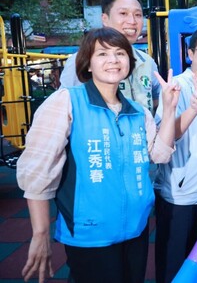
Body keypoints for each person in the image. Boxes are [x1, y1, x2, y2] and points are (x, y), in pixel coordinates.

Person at [16, 27, 181, 283]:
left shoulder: (138, 112)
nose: (113, 60)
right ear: (88, 64)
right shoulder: (66, 102)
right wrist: (40, 233)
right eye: (102, 53)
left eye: (120, 53)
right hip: (90, 234)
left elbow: (159, 155)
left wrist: (169, 109)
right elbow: (38, 171)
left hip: (136, 230)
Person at [153, 27, 197, 282]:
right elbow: (165, 139)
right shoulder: (176, 89)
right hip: (178, 196)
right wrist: (193, 108)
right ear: (190, 53)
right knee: (172, 268)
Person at [60, 0, 160, 112]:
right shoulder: (82, 59)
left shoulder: (146, 61)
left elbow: (156, 99)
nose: (132, 21)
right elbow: (64, 107)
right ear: (105, 19)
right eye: (123, 13)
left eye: (138, 15)